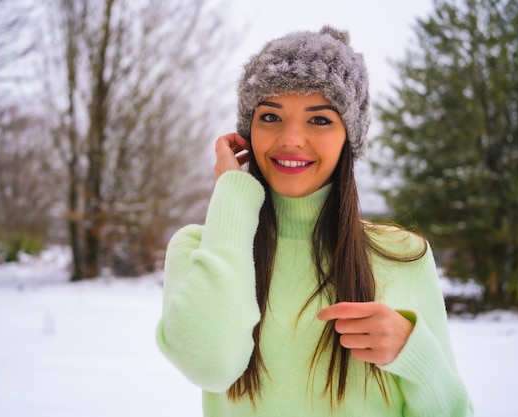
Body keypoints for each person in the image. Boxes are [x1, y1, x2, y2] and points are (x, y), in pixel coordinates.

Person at [156, 26, 473, 416]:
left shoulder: (402, 256)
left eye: (320, 120)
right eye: (270, 116)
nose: (290, 139)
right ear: (247, 133)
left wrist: (415, 354)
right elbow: (211, 364)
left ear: (349, 137)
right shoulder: (200, 249)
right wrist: (233, 197)